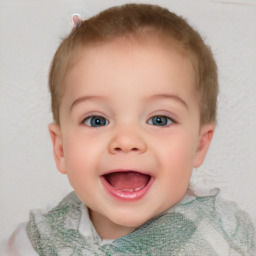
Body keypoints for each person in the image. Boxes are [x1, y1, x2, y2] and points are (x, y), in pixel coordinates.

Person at [7, 3, 255, 255]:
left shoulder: (223, 242)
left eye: (159, 120)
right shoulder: (34, 243)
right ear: (60, 149)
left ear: (199, 145)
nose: (126, 141)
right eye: (96, 120)